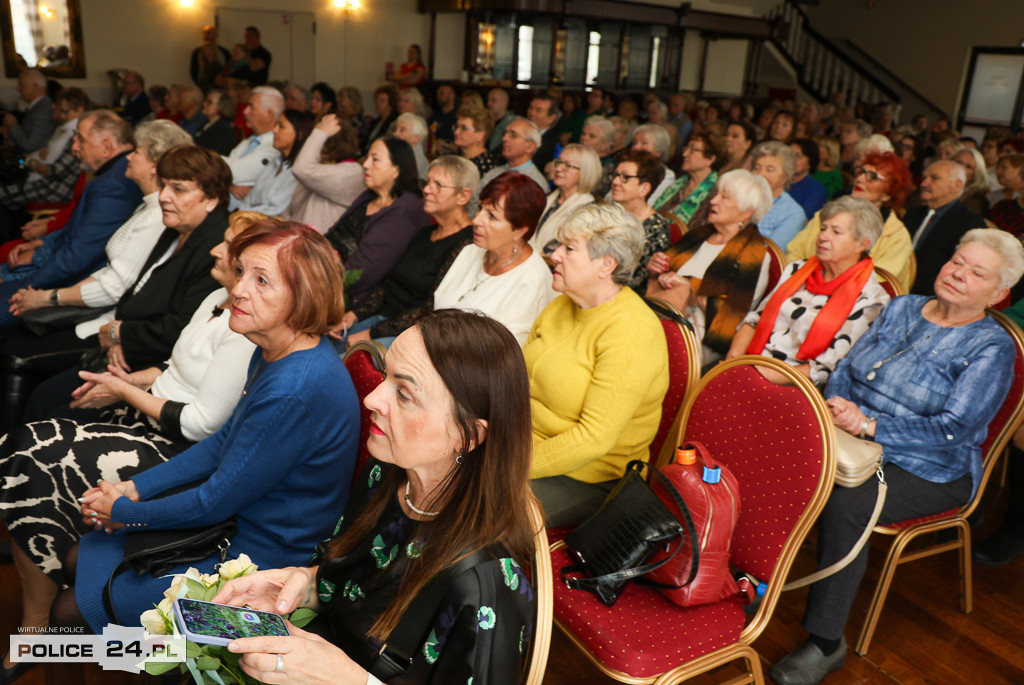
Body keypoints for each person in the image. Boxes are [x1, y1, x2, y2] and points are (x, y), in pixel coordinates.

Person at [45, 221, 358, 639]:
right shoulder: (275, 348)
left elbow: (214, 501)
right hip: (233, 526)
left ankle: (145, 657)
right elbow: (223, 442)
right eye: (242, 272)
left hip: (263, 558)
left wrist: (124, 513)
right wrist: (135, 489)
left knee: (67, 613)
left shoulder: (294, 389)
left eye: (261, 280)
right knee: (76, 557)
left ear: (303, 298)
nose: (240, 289)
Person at [211, 309, 536, 684]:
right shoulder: (386, 475)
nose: (372, 400)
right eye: (385, 378)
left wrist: (349, 679)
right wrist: (304, 584)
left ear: (468, 436)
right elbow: (357, 592)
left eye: (405, 394)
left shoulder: (484, 582)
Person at [0, 216, 260, 674]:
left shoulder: (285, 372)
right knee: (32, 447)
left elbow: (214, 487)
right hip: (204, 491)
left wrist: (125, 507)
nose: (215, 252)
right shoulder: (231, 314)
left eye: (229, 248)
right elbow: (213, 440)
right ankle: (40, 627)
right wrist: (127, 385)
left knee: (73, 619)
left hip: (236, 559)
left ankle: (44, 634)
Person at [770, 229, 1024, 685]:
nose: (958, 274)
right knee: (778, 454)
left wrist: (870, 427)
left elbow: (954, 430)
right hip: (852, 435)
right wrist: (841, 409)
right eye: (957, 261)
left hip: (930, 468)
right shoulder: (905, 306)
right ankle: (752, 584)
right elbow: (848, 367)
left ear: (998, 292)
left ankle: (826, 643)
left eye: (976, 272)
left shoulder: (991, 347)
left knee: (847, 499)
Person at [2, 146, 232, 421]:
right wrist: (115, 335)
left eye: (178, 189)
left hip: (157, 365)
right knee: (44, 394)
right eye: (164, 186)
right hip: (124, 345)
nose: (163, 197)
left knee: (47, 403)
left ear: (211, 199)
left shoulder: (216, 248)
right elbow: (134, 294)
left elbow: (182, 327)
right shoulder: (177, 229)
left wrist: (118, 334)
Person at [526, 202, 668, 526]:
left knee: (471, 507)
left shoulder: (631, 331)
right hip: (523, 444)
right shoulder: (563, 304)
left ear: (606, 264)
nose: (555, 255)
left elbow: (593, 439)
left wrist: (508, 463)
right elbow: (520, 378)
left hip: (588, 477)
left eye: (569, 248)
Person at [6, 120, 192, 329]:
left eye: (137, 152)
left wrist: (47, 297)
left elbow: (113, 286)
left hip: (104, 318)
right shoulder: (147, 205)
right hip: (85, 296)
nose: (128, 156)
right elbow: (107, 270)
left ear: (154, 165)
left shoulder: (156, 215)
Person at [0, 111, 143, 328]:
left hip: (75, 285)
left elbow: (79, 257)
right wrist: (42, 243)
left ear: (106, 146)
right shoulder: (114, 173)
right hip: (66, 269)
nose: (74, 147)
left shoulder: (113, 185)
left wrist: (29, 285)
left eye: (81, 140)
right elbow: (78, 232)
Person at [728, 196, 890, 387]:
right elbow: (754, 320)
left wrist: (756, 377)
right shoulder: (797, 269)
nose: (823, 236)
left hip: (794, 385)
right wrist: (733, 361)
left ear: (862, 244)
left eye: (836, 232)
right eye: (823, 228)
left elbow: (825, 369)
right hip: (749, 364)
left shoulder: (871, 299)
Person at [339, 156, 477, 347]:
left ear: (463, 196)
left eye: (438, 185)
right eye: (427, 182)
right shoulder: (424, 233)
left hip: (409, 335)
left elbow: (431, 309)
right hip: (379, 320)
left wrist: (371, 333)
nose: (427, 190)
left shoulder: (467, 244)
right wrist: (353, 315)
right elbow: (388, 285)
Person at [646, 169, 774, 364]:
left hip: (702, 333)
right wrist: (656, 267)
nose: (713, 201)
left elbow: (734, 316)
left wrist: (691, 288)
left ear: (747, 212)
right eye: (716, 195)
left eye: (725, 198)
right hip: (664, 312)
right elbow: (665, 273)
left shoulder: (755, 256)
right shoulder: (698, 235)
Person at [435, 172, 555, 345]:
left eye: (492, 216)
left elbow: (505, 356)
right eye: (480, 208)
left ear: (519, 230)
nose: (476, 220)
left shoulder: (532, 280)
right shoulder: (470, 251)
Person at [786, 151, 915, 290]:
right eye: (861, 172)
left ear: (887, 195)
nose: (859, 179)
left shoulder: (896, 235)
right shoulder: (826, 216)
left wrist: (831, 288)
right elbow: (794, 253)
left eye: (872, 177)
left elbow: (881, 281)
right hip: (806, 288)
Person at [325, 137, 429, 302]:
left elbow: (360, 274)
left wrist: (316, 279)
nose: (365, 164)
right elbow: (332, 234)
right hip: (323, 271)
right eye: (367, 158)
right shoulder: (369, 195)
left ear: (396, 170)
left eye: (375, 159)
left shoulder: (404, 211)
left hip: (342, 293)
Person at [906, 160, 985, 295]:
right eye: (924, 178)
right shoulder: (913, 214)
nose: (924, 183)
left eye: (934, 178)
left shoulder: (970, 225)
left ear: (956, 186)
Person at [286, 113, 363, 233]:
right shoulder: (321, 169)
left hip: (319, 246)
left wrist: (320, 132)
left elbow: (301, 168)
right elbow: (293, 209)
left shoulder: (352, 172)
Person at [610, 150, 671, 294]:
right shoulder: (609, 214)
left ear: (644, 189)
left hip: (626, 297)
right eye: (616, 175)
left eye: (625, 177)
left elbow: (636, 280)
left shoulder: (656, 227)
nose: (615, 182)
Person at [238, 109, 315, 216]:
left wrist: (245, 214)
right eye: (275, 125)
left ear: (300, 134)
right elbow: (250, 199)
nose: (274, 130)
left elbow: (277, 210)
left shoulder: (300, 171)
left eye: (281, 126)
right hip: (248, 219)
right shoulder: (274, 162)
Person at [531, 144, 600, 256]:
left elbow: (558, 250)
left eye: (568, 165)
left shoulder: (588, 212)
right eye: (558, 162)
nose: (558, 169)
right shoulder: (547, 198)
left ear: (585, 172)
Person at [224, 86, 284, 203]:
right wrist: (230, 187)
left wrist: (202, 157)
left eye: (251, 107)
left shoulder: (274, 146)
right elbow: (223, 172)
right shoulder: (250, 141)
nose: (245, 111)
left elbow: (232, 172)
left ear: (269, 115)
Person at [653, 132, 722, 225]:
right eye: (686, 148)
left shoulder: (716, 191)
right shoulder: (679, 184)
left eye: (693, 150)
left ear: (710, 159)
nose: (685, 154)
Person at [750, 140, 807, 251]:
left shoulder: (793, 213)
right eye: (757, 168)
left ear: (785, 177)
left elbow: (771, 254)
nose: (760, 174)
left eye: (769, 170)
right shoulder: (740, 197)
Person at [479, 117, 549, 193]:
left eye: (513, 135)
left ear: (530, 147)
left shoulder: (535, 183)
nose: (504, 138)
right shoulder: (493, 173)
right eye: (505, 133)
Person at [1, 69, 55, 156]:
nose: (17, 88)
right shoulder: (37, 106)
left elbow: (30, 145)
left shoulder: (43, 109)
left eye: (21, 85)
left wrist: (12, 125)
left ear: (35, 86)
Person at [629, 123, 677, 204]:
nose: (636, 147)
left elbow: (650, 204)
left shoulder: (666, 175)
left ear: (658, 151)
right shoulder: (627, 167)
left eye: (644, 143)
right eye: (634, 143)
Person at [454, 104, 501, 176]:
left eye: (464, 128)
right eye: (457, 127)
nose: (456, 132)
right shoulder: (457, 158)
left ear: (480, 135)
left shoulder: (486, 165)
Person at [788, 138, 829, 220]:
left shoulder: (816, 190)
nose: (791, 159)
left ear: (810, 162)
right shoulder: (776, 181)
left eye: (797, 156)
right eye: (788, 155)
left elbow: (802, 221)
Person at [193, 88, 238, 156]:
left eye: (209, 102)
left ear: (221, 107)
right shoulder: (207, 123)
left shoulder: (224, 131)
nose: (204, 103)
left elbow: (212, 156)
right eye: (205, 100)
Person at [527, 93, 561, 171]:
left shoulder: (554, 143)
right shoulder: (518, 133)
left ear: (551, 118)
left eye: (538, 110)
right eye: (531, 108)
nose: (532, 113)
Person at [954, 147, 990, 217]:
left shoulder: (976, 201)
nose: (961, 168)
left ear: (976, 175)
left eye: (969, 167)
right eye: (958, 162)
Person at [363, 84, 399, 150]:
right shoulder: (375, 121)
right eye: (377, 99)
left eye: (382, 100)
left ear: (390, 104)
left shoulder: (393, 122)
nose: (378, 103)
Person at [812, 135, 843, 199]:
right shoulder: (806, 170)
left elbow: (831, 198)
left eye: (820, 146)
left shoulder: (835, 176)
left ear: (830, 152)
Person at [487, 87, 515, 153]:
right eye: (488, 100)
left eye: (493, 100)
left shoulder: (512, 124)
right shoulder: (485, 120)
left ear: (504, 103)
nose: (489, 103)